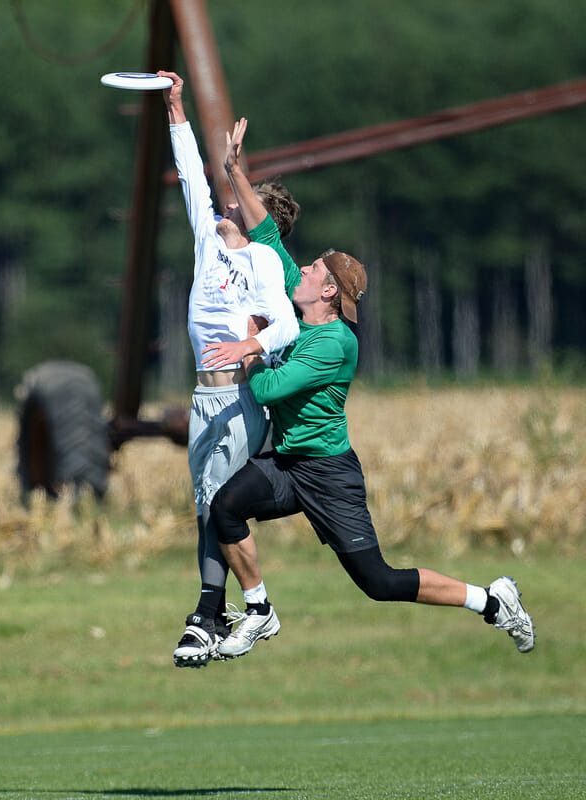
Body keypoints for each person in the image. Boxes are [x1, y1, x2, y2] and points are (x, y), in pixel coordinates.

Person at [200, 118, 536, 661]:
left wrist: (252, 343)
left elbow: (268, 388)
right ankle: (259, 611)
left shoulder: (333, 343)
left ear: (328, 290)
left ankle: (491, 600)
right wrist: (236, 171)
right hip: (289, 464)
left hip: (329, 474)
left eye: (313, 269)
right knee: (226, 505)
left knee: (378, 581)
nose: (302, 268)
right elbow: (265, 235)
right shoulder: (297, 303)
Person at [157, 75, 301, 667]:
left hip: (240, 403)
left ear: (253, 214)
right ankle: (211, 617)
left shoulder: (264, 259)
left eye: (235, 202)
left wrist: (251, 347)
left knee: (220, 503)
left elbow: (288, 327)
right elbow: (191, 173)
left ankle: (209, 617)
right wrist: (175, 105)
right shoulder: (206, 243)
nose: (223, 205)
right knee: (204, 507)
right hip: (200, 400)